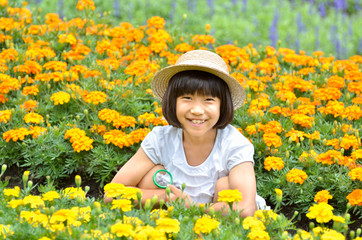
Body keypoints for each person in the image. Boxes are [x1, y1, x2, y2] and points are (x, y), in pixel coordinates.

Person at [104, 50, 267, 217]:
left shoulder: (234, 144)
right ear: (172, 101)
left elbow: (247, 208)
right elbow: (112, 194)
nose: (196, 110)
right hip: (174, 215)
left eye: (208, 100)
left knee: (225, 186)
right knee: (152, 175)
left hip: (220, 219)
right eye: (187, 98)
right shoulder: (161, 139)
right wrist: (165, 197)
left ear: (222, 105)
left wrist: (194, 208)